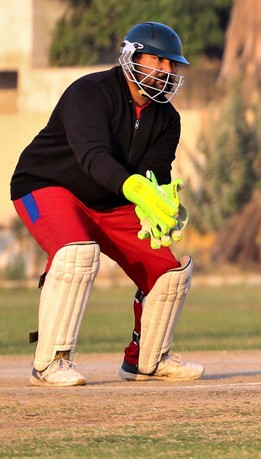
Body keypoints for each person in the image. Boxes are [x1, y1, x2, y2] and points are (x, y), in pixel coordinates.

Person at [11, 21, 204, 387]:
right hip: (47, 186)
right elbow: (92, 156)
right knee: (75, 253)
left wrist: (161, 203)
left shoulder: (168, 118)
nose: (167, 71)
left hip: (112, 200)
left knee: (169, 273)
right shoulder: (89, 92)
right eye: (158, 60)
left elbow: (155, 171)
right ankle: (51, 362)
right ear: (132, 57)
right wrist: (134, 187)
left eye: (172, 64)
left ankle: (146, 361)